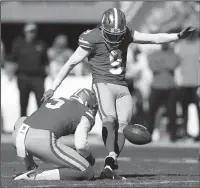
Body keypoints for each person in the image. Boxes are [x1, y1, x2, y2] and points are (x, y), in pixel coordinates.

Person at [42, 8, 195, 179]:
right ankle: (110, 157)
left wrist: (177, 36)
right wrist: (53, 87)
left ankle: (110, 161)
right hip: (103, 84)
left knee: (123, 125)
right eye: (111, 34)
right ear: (102, 28)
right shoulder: (92, 37)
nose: (115, 38)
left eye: (118, 34)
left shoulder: (127, 33)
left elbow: (153, 38)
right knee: (109, 119)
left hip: (122, 85)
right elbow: (70, 63)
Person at [12, 88, 97, 180]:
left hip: (17, 136)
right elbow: (81, 145)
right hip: (41, 139)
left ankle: (30, 165)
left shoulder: (55, 100)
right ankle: (35, 176)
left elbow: (20, 121)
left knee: (24, 122)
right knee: (87, 171)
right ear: (88, 104)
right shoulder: (85, 111)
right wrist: (89, 157)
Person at [9, 23, 49, 116]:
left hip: (38, 78)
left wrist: (51, 75)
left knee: (41, 103)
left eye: (35, 31)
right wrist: (10, 75)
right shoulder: (19, 44)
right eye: (31, 31)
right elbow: (12, 60)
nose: (33, 33)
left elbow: (46, 62)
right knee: (23, 103)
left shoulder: (41, 44)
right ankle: (22, 125)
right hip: (23, 77)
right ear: (25, 32)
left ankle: (41, 125)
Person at [147, 43, 181, 142]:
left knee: (172, 113)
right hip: (156, 86)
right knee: (151, 112)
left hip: (170, 87)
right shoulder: (154, 54)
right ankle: (149, 134)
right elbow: (153, 67)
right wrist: (166, 65)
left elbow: (173, 65)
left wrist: (160, 64)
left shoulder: (173, 55)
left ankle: (173, 135)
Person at [175, 30, 200, 141]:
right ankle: (185, 132)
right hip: (183, 83)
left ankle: (198, 135)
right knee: (183, 110)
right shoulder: (179, 46)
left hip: (197, 83)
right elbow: (176, 64)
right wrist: (177, 80)